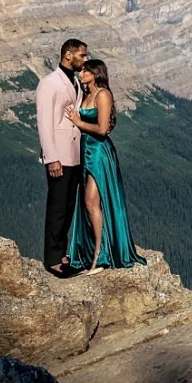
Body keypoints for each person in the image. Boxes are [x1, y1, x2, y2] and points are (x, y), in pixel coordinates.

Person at [65, 59, 146, 274]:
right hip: (85, 151)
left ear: (96, 73)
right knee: (87, 204)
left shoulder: (103, 94)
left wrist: (78, 121)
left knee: (91, 202)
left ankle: (101, 257)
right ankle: (91, 253)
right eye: (81, 70)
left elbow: (102, 129)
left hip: (99, 152)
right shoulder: (85, 94)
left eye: (85, 71)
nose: (81, 73)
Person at [36, 38, 87, 278]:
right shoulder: (49, 83)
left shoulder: (75, 80)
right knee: (57, 208)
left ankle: (63, 254)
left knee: (68, 207)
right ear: (68, 55)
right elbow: (44, 124)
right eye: (82, 55)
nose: (85, 60)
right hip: (59, 156)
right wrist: (51, 158)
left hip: (74, 155)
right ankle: (53, 259)